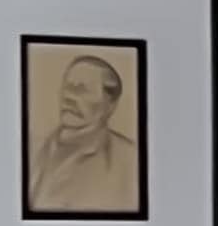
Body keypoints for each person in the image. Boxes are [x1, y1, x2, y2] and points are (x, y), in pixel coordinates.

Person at [28, 45, 142, 216]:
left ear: (110, 105)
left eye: (82, 90)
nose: (69, 97)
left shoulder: (130, 160)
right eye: (68, 87)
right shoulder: (33, 147)